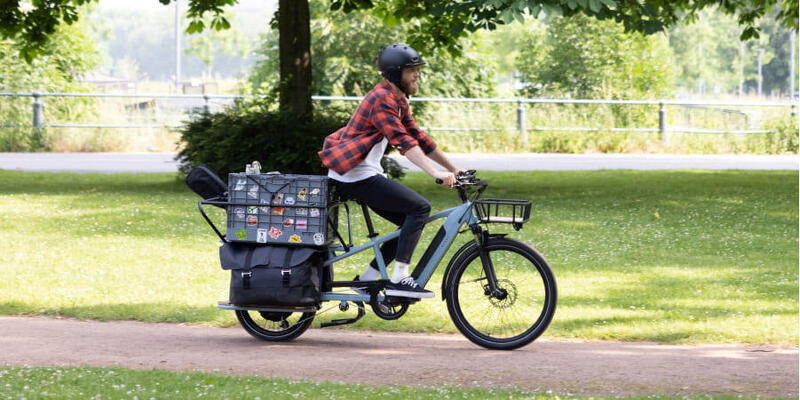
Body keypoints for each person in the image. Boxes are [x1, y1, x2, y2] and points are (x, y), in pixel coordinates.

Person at [318, 44, 463, 299]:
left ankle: (366, 281)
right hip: (353, 176)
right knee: (419, 209)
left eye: (417, 69)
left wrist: (453, 168)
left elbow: (419, 137)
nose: (417, 74)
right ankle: (399, 279)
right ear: (396, 74)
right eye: (411, 70)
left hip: (365, 173)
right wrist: (435, 174)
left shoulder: (398, 100)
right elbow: (402, 142)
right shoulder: (381, 100)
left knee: (407, 223)